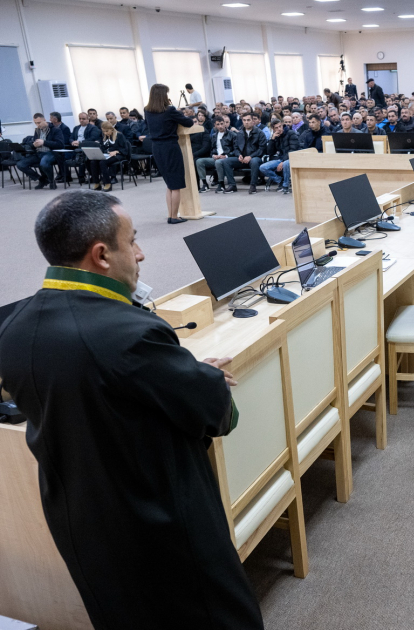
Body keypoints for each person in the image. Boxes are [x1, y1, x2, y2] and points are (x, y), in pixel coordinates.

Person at [0, 190, 264, 630]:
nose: (140, 254)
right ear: (101, 255)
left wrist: (174, 371)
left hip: (81, 522)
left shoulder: (12, 327)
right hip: (161, 525)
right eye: (133, 241)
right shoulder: (131, 333)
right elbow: (216, 414)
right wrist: (202, 375)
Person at [143, 83, 195, 224]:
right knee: (176, 183)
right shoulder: (169, 110)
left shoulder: (147, 110)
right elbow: (188, 123)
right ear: (163, 95)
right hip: (170, 147)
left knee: (170, 183)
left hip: (157, 147)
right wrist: (178, 113)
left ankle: (171, 214)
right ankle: (174, 216)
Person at [219, 112, 265, 194]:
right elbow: (235, 147)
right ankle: (232, 185)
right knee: (226, 161)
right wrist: (239, 155)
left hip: (254, 158)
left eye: (248, 120)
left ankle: (253, 185)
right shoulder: (239, 133)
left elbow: (262, 149)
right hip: (242, 158)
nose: (246, 122)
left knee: (254, 162)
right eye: (244, 120)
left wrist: (250, 156)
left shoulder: (260, 133)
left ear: (253, 121)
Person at [17, 113, 64, 190]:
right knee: (20, 164)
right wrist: (33, 145)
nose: (37, 125)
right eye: (35, 123)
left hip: (50, 153)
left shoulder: (55, 130)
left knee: (44, 163)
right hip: (38, 153)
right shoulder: (37, 131)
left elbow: (60, 144)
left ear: (44, 120)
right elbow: (34, 143)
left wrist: (44, 142)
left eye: (39, 122)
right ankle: (41, 179)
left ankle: (51, 181)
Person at [87, 122, 129, 193]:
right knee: (93, 162)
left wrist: (116, 151)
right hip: (107, 154)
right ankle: (97, 183)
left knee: (103, 163)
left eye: (107, 131)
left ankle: (107, 183)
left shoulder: (119, 135)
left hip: (118, 155)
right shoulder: (104, 136)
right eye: (103, 131)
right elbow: (104, 147)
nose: (105, 133)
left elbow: (125, 148)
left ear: (111, 129)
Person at [70, 112, 103, 184]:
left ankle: (83, 176)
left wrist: (80, 142)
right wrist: (73, 142)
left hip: (87, 147)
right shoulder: (76, 128)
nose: (81, 120)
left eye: (83, 119)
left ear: (88, 119)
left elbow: (92, 138)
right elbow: (71, 137)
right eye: (80, 119)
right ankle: (79, 176)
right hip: (76, 148)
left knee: (83, 156)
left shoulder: (93, 128)